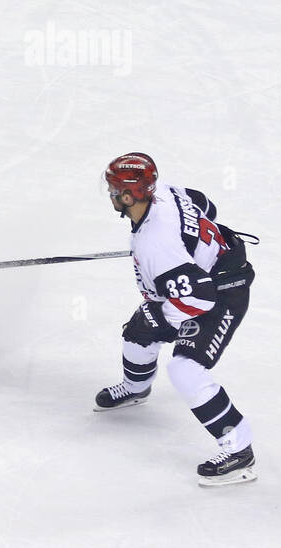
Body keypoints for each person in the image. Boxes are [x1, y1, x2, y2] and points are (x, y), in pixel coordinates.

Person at [98, 152, 257, 486]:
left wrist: (162, 318)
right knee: (137, 334)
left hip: (224, 290)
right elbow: (204, 204)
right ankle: (136, 388)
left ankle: (239, 449)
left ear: (129, 196)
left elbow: (199, 297)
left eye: (114, 190)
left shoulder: (158, 246)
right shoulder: (165, 191)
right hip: (203, 274)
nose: (110, 195)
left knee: (185, 368)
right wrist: (192, 241)